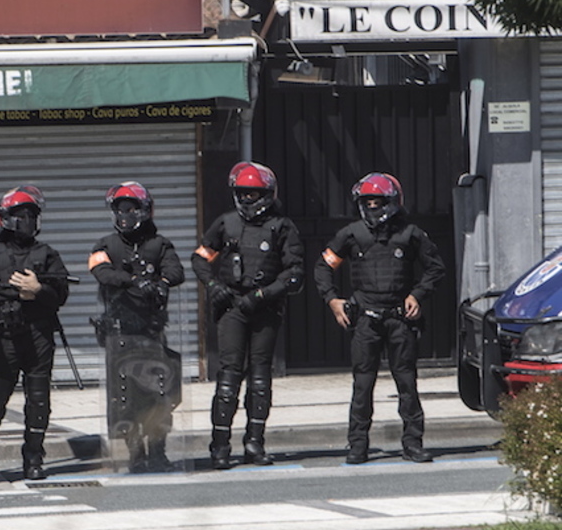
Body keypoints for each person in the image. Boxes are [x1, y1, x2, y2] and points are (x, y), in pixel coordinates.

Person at [313, 172, 445, 465]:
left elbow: (436, 268)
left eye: (378, 202)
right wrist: (333, 300)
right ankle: (357, 445)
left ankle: (413, 444)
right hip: (365, 321)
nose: (373, 208)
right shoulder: (351, 234)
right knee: (362, 384)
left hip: (400, 320)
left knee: (407, 383)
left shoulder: (411, 234)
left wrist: (418, 294)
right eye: (367, 202)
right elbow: (323, 267)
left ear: (393, 202)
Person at [192, 162, 304, 469]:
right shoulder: (225, 224)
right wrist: (213, 285)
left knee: (260, 378)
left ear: (267, 195)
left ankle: (255, 442)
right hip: (232, 307)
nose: (249, 200)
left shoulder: (282, 227)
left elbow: (294, 272)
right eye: (244, 194)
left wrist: (264, 294)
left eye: (255, 194)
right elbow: (200, 259)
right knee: (228, 376)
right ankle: (220, 445)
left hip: (265, 308)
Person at [0, 185, 70, 483]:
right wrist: (12, 292)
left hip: (39, 336)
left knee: (39, 401)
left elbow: (61, 292)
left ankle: (34, 459)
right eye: (22, 215)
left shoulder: (47, 254)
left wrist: (38, 290)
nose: (28, 221)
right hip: (5, 338)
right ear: (7, 218)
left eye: (32, 215)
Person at [88, 181, 185, 473]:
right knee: (125, 397)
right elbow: (101, 272)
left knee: (159, 394)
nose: (125, 215)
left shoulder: (160, 244)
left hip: (151, 332)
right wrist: (132, 282)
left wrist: (161, 285)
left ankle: (158, 452)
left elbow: (175, 271)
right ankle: (135, 454)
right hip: (120, 334)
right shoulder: (105, 244)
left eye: (131, 209)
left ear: (144, 210)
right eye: (120, 209)